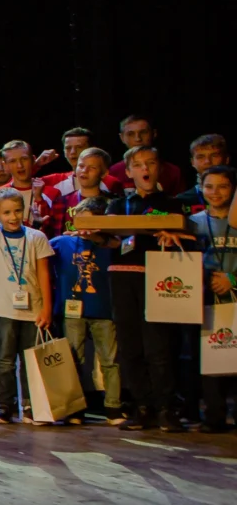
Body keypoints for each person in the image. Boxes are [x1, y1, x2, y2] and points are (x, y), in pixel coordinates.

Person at [104, 146, 198, 432]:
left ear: (159, 168)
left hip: (157, 277)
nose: (145, 169)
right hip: (122, 278)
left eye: (151, 163)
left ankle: (166, 408)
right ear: (129, 171)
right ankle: (141, 407)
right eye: (138, 165)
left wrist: (175, 236)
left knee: (159, 346)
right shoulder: (117, 205)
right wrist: (94, 235)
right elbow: (110, 241)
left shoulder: (171, 203)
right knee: (130, 346)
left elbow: (187, 236)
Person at [0, 185, 54, 424]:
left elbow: (44, 275)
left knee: (30, 359)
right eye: (6, 213)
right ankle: (4, 405)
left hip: (33, 308)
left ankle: (30, 405)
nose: (13, 217)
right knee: (5, 359)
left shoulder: (36, 237)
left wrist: (47, 308)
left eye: (17, 211)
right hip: (2, 307)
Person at [52, 195, 122, 424]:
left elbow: (121, 243)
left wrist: (101, 237)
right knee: (74, 359)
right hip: (72, 311)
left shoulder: (111, 246)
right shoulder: (63, 242)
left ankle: (113, 407)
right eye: (79, 223)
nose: (82, 229)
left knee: (109, 360)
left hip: (103, 310)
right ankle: (75, 409)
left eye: (88, 223)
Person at [190, 165, 234, 432]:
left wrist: (232, 279)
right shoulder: (193, 221)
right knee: (209, 356)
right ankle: (214, 417)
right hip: (205, 296)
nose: (215, 192)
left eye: (223, 186)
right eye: (209, 186)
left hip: (234, 292)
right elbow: (156, 215)